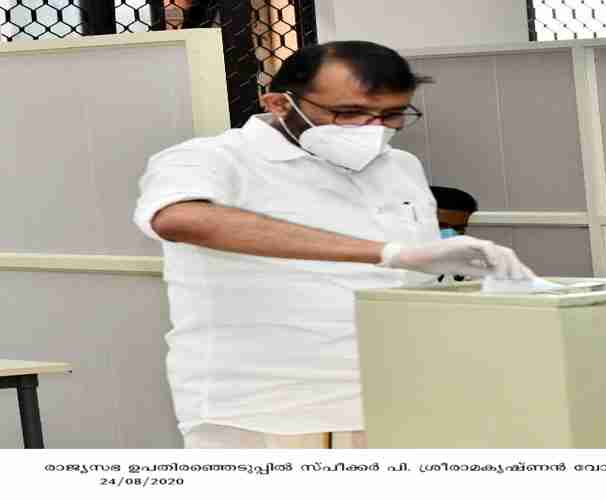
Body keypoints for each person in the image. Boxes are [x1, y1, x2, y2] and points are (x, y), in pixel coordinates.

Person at [133, 40, 534, 449]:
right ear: (279, 103)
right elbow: (179, 218)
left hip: (400, 399)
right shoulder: (211, 158)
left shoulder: (399, 167)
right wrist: (387, 252)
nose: (373, 130)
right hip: (268, 409)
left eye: (392, 114)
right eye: (350, 113)